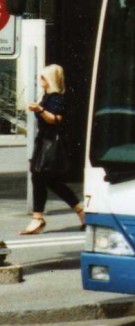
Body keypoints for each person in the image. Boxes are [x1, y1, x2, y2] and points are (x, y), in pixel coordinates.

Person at [20, 64, 84, 235]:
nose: (40, 80)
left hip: (50, 142)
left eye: (43, 77)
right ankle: (81, 212)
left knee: (39, 175)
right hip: (45, 141)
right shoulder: (49, 96)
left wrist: (39, 109)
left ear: (50, 80)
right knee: (50, 180)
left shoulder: (56, 97)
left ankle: (37, 218)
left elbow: (55, 119)